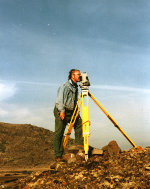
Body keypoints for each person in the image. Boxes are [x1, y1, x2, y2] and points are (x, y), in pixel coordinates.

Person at [53, 69, 83, 161]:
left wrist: (77, 113)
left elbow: (75, 102)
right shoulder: (65, 86)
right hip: (61, 110)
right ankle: (58, 155)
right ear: (72, 76)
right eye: (78, 75)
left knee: (79, 123)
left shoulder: (75, 87)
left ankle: (79, 145)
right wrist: (62, 111)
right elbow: (59, 100)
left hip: (71, 111)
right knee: (59, 132)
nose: (80, 76)